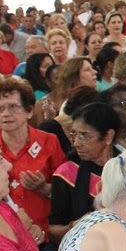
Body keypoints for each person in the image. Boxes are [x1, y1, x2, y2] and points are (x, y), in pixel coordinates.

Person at [0, 78, 68, 247]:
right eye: (0, 109)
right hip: (4, 239)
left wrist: (45, 188)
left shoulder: (49, 141)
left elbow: (66, 191)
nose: (5, 114)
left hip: (45, 238)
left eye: (13, 106)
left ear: (29, 111)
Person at [48, 103, 119, 243]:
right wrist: (74, 227)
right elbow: (53, 231)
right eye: (74, 134)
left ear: (108, 137)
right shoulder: (66, 174)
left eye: (85, 136)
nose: (76, 143)